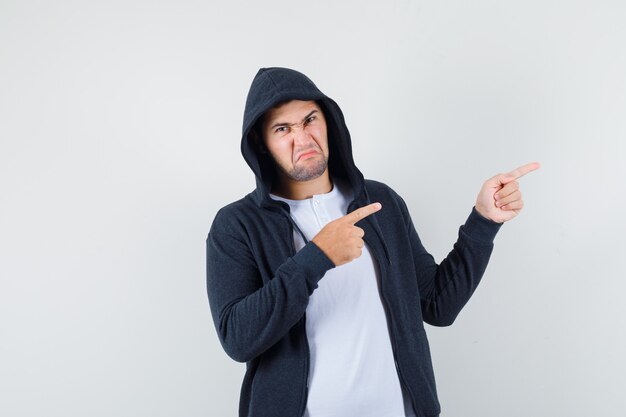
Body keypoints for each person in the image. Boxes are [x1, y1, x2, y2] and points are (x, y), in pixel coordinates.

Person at [206, 67, 539, 417]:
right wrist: (317, 256)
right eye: (283, 129)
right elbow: (238, 338)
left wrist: (483, 221)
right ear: (262, 143)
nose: (302, 139)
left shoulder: (379, 203)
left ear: (328, 121)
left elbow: (438, 305)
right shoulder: (237, 225)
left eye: (309, 120)